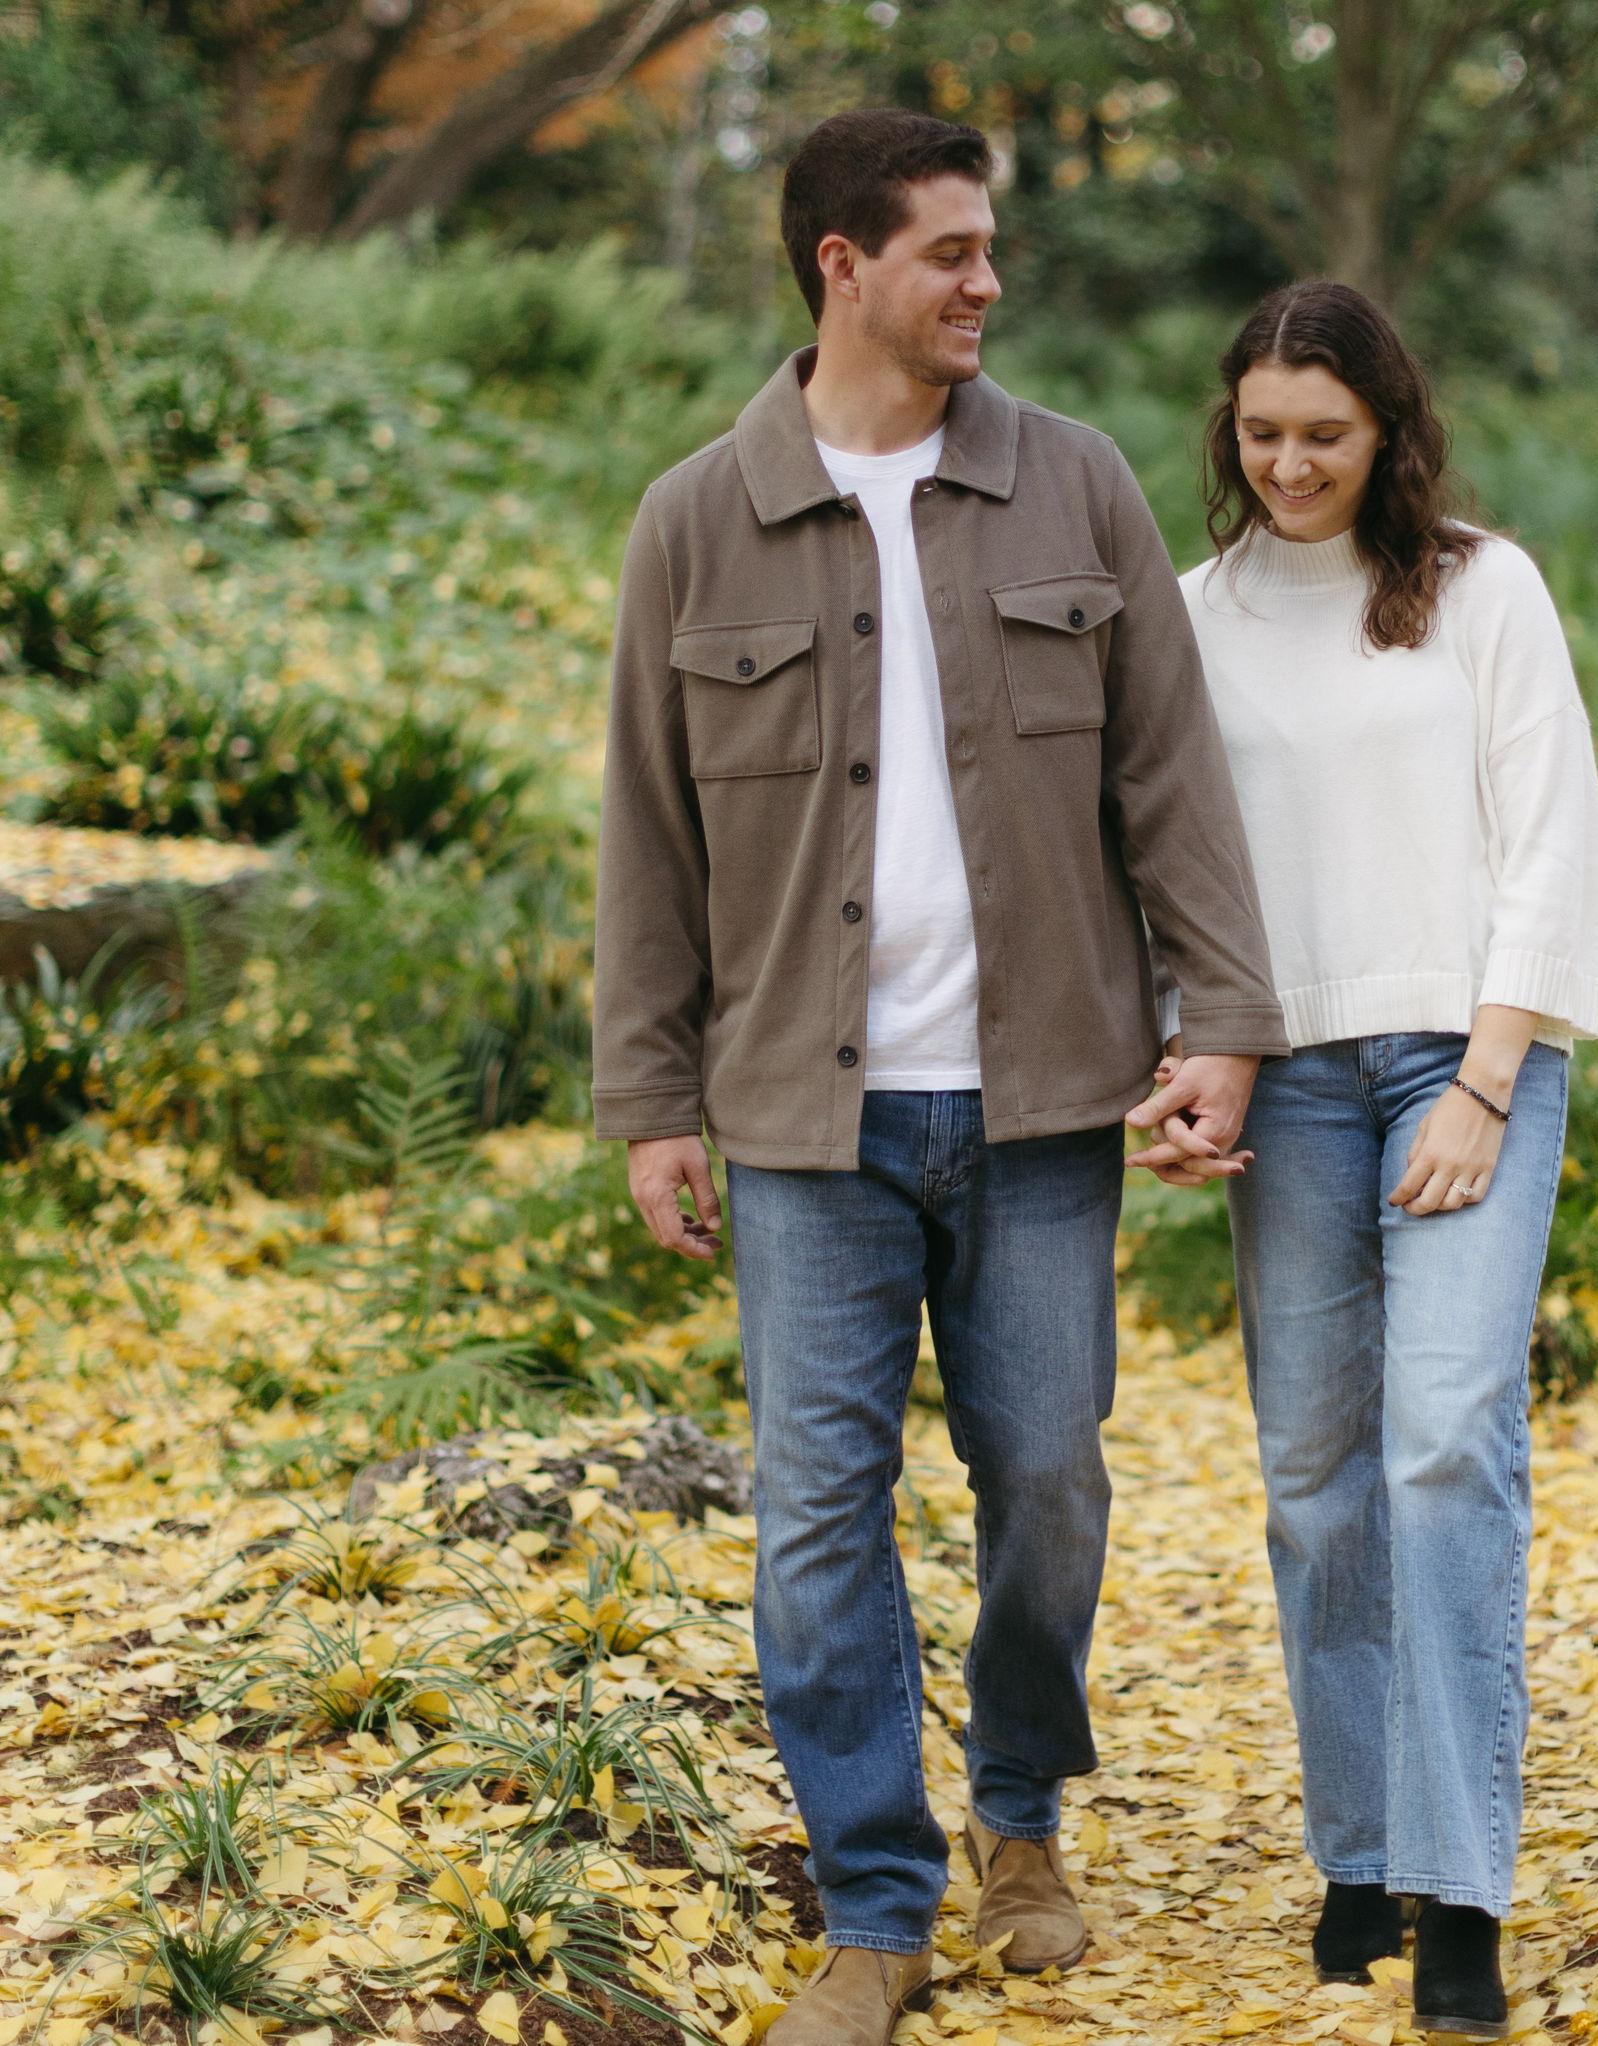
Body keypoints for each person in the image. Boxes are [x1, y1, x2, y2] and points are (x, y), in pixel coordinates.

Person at [591, 108, 1287, 2046]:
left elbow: (1172, 783)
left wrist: (1217, 1020)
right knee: (821, 1516)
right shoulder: (692, 519)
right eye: (952, 252)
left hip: (1042, 1100)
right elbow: (647, 838)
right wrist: (650, 1097)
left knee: (1047, 1483)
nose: (989, 283)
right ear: (841, 266)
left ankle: (1020, 1809)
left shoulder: (1074, 490)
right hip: (803, 1120)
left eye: (991, 251)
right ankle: (875, 1908)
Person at [1133, 280, 1598, 2041]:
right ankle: (1361, 1849)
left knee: (1442, 1448)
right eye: (1260, 434)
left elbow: (1555, 836)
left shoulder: (1485, 590)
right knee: (1316, 1470)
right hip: (1288, 1078)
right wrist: (1193, 1059)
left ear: (1389, 432)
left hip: (1465, 1059)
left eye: (1323, 435)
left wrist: (1488, 1078)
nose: (1288, 465)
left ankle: (1464, 1885)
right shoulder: (1190, 617)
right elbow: (1170, 869)